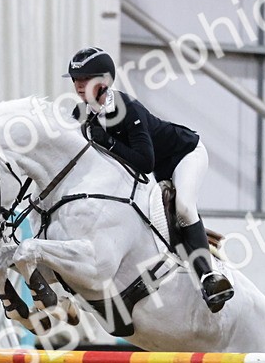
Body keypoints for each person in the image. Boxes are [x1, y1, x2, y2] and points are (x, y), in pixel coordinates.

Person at [64, 46, 234, 313]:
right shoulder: (81, 114)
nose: (78, 85)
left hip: (184, 154)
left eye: (85, 79)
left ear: (104, 82)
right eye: (76, 80)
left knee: (184, 207)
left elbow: (145, 162)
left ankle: (208, 277)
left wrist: (107, 141)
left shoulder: (125, 108)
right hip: (153, 169)